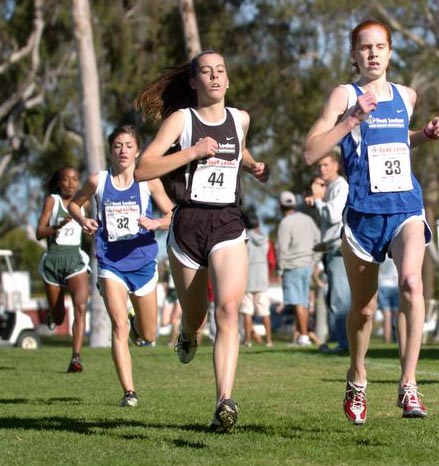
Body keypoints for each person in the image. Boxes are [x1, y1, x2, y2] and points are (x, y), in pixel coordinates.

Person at [303, 19, 439, 424]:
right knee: (364, 310)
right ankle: (357, 377)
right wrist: (350, 120)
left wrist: (425, 135)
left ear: (390, 51)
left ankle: (409, 385)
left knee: (411, 283)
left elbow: (398, 140)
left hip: (406, 207)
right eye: (364, 47)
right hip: (363, 215)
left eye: (380, 46)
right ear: (353, 54)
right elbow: (310, 153)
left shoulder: (406, 95)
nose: (372, 53)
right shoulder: (343, 95)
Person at [134, 50, 269, 433]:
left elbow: (237, 148)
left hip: (227, 219)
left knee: (227, 309)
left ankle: (224, 401)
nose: (214, 77)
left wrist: (252, 166)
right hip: (188, 222)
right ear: (194, 82)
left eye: (220, 71)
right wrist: (193, 151)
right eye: (206, 72)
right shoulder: (182, 120)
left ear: (227, 80)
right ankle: (187, 333)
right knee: (196, 316)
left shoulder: (240, 119)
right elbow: (144, 167)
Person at [68, 125, 174, 407]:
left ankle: (138, 328)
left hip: (143, 264)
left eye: (129, 145)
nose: (123, 150)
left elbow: (172, 215)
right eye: (117, 145)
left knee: (148, 335)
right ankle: (129, 392)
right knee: (119, 326)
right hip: (110, 262)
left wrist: (156, 223)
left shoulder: (148, 182)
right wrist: (84, 221)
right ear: (110, 151)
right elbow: (75, 205)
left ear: (138, 150)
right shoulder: (98, 181)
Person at [36, 167, 90, 373]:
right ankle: (53, 315)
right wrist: (56, 226)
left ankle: (76, 358)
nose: (71, 183)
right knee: (59, 319)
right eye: (66, 179)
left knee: (80, 307)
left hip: (75, 259)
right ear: (59, 182)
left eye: (75, 179)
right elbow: (39, 233)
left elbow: (88, 227)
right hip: (53, 261)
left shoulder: (82, 202)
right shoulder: (52, 201)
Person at [305, 152, 350, 353]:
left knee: (340, 298)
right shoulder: (331, 188)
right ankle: (342, 341)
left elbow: (333, 216)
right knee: (335, 296)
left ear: (336, 166)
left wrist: (317, 200)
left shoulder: (340, 186)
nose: (321, 169)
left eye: (325, 165)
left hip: (339, 247)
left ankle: (345, 344)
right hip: (331, 248)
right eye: (319, 166)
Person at [276, 191, 321, 347]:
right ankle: (304, 335)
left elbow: (282, 248)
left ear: (280, 206)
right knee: (304, 302)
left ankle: (303, 336)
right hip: (307, 266)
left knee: (297, 303)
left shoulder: (285, 223)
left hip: (292, 266)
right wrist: (314, 260)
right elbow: (319, 240)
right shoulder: (307, 219)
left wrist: (280, 269)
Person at [240, 211, 273, 348]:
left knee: (247, 312)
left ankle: (247, 341)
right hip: (262, 279)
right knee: (264, 312)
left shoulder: (244, 240)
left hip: (247, 279)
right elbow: (271, 261)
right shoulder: (267, 240)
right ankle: (269, 341)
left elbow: (240, 260)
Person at [160, 260, 182, 347]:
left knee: (175, 320)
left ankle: (173, 341)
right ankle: (178, 334)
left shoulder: (182, 267)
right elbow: (165, 284)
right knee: (164, 322)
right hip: (170, 295)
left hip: (179, 293)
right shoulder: (168, 272)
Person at [378, 256, 399, 344]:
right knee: (396, 314)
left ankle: (386, 340)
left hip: (382, 284)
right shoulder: (395, 251)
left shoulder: (380, 252)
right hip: (395, 285)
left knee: (386, 315)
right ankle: (398, 339)